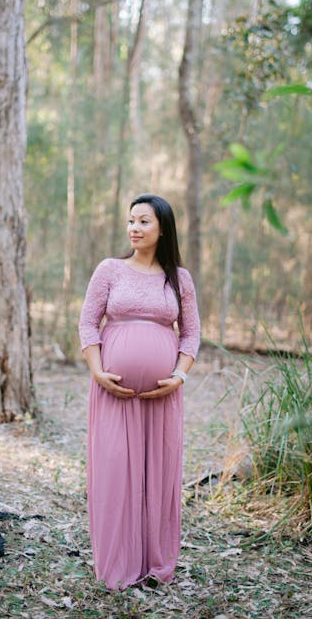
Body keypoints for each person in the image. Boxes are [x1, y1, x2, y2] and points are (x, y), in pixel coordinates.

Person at [78, 193, 200, 590]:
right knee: (116, 472)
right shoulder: (110, 270)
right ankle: (117, 566)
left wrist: (178, 377)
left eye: (144, 221)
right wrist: (97, 371)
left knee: (158, 475)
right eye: (131, 221)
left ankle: (155, 564)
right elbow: (88, 324)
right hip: (114, 392)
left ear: (162, 228)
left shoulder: (179, 278)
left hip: (163, 397)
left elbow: (192, 334)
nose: (134, 228)